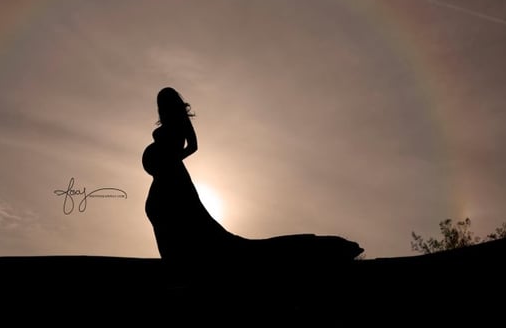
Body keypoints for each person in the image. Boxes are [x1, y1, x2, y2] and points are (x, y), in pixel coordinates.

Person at [142, 87, 363, 265]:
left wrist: (174, 158)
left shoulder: (180, 122)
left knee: (184, 220)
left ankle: (177, 262)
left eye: (163, 103)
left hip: (174, 176)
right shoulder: (166, 124)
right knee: (159, 212)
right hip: (164, 177)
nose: (161, 108)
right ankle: (172, 260)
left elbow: (194, 146)